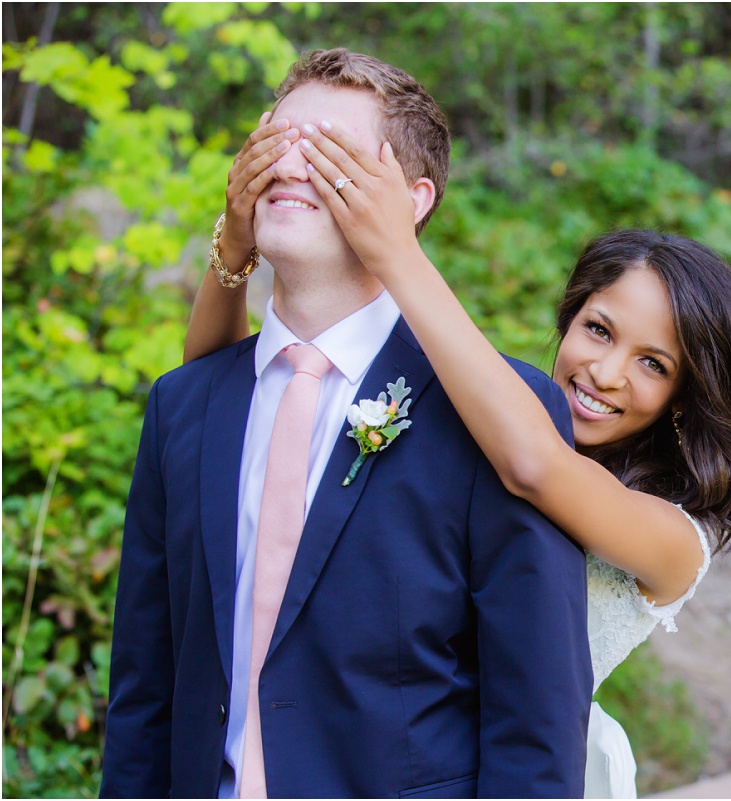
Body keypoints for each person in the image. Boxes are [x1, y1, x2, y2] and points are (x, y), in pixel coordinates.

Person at [183, 78, 731, 795]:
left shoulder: (673, 541)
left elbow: (538, 468)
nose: (606, 371)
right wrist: (235, 247)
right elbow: (220, 414)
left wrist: (397, 251)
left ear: (685, 398)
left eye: (653, 364)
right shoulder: (476, 425)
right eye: (597, 329)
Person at [100, 49, 593, 799]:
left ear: (414, 200)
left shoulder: (495, 413)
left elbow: (536, 722)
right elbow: (145, 691)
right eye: (275, 139)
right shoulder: (184, 404)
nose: (290, 165)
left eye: (329, 148)